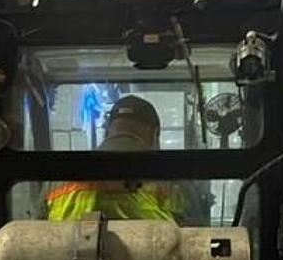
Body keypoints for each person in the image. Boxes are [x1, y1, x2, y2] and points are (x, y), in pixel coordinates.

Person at [45, 95, 184, 222]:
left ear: (107, 131)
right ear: (156, 134)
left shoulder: (58, 178)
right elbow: (196, 235)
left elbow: (34, 233)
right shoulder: (171, 183)